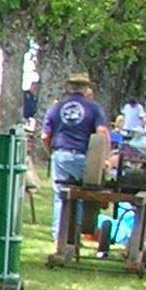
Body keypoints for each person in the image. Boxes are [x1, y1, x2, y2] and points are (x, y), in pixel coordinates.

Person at [43, 71, 106, 259]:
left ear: (68, 87)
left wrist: (51, 151)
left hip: (61, 154)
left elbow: (45, 136)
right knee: (78, 196)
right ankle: (74, 237)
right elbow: (102, 133)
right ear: (86, 88)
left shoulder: (56, 108)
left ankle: (59, 238)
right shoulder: (94, 108)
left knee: (61, 197)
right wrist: (103, 158)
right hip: (83, 156)